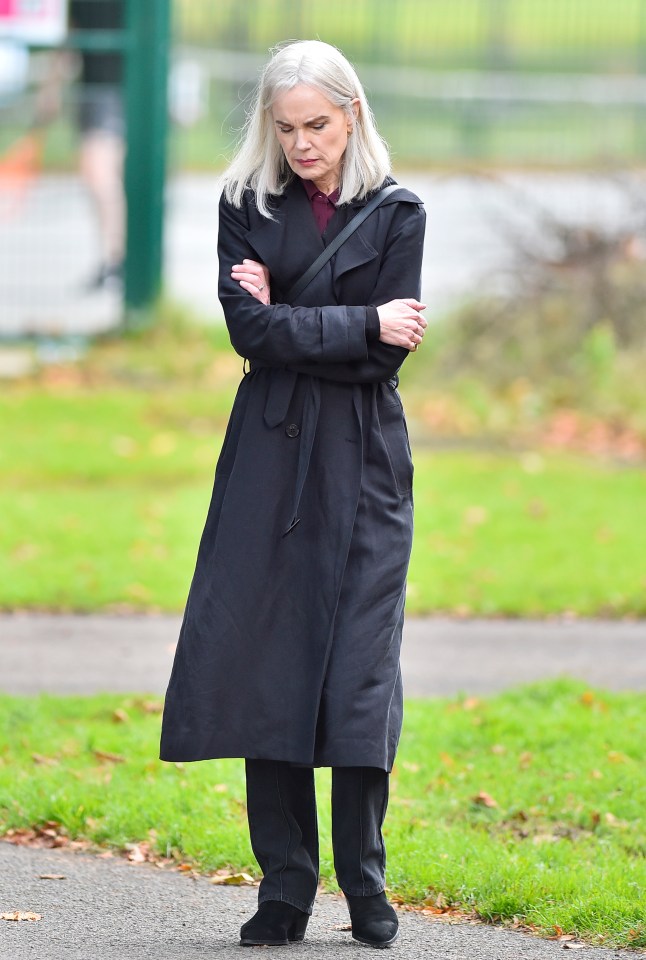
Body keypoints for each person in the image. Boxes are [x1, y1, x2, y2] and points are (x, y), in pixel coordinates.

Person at [159, 39, 427, 949]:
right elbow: (252, 335)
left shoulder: (399, 212)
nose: (304, 143)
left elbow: (389, 354)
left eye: (318, 124)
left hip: (367, 465)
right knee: (269, 671)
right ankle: (284, 888)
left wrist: (292, 319)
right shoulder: (244, 204)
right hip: (268, 462)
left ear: (351, 114)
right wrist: (351, 321)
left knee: (360, 676)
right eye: (287, 128)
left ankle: (365, 883)